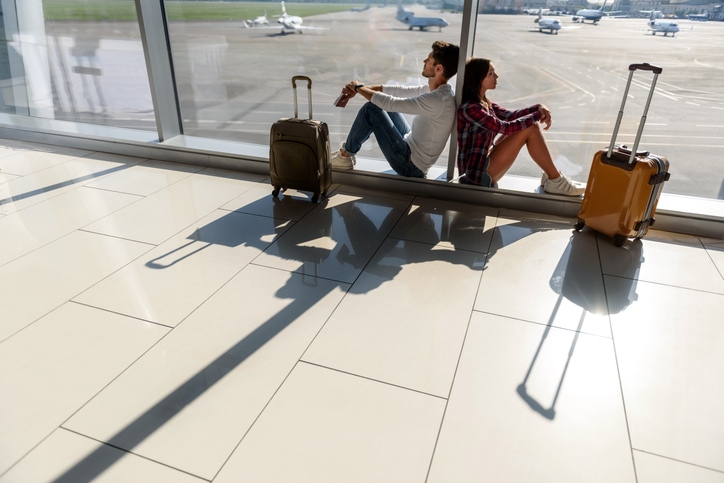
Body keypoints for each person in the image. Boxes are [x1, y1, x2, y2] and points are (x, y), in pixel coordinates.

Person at [456, 57, 585, 196]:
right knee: (531, 128)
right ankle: (555, 180)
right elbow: (504, 127)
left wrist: (538, 107)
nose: (497, 76)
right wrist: (537, 115)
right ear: (478, 79)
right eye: (491, 73)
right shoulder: (470, 108)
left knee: (528, 126)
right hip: (476, 176)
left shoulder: (484, 102)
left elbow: (510, 116)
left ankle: (552, 177)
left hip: (484, 162)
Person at [330, 40, 460, 178]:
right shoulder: (440, 91)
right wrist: (361, 88)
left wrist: (358, 88)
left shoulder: (437, 100)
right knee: (380, 103)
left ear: (438, 68)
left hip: (410, 165)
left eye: (429, 59)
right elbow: (399, 91)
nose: (424, 60)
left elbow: (391, 103)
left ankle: (345, 156)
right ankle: (346, 153)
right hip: (410, 145)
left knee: (371, 109)